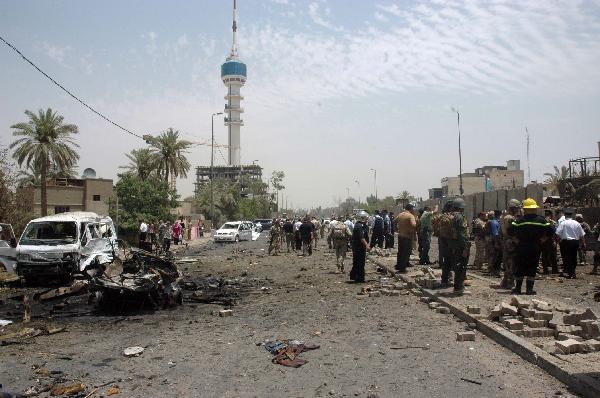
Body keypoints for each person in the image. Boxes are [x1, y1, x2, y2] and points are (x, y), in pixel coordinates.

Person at [509, 198, 554, 294]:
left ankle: (518, 288)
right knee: (532, 267)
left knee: (520, 266)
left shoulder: (519, 220)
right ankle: (529, 289)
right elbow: (551, 231)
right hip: (535, 247)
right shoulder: (541, 220)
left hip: (521, 246)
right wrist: (543, 240)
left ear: (525, 209)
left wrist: (516, 240)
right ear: (535, 209)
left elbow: (510, 231)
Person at [445, 198, 471, 295]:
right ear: (461, 208)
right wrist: (465, 247)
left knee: (456, 265)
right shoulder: (459, 217)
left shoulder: (450, 215)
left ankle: (458, 285)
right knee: (461, 266)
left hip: (452, 244)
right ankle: (458, 288)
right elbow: (462, 234)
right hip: (460, 246)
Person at [556, 209, 586, 279]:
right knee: (574, 256)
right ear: (571, 215)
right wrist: (584, 243)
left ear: (565, 215)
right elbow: (582, 235)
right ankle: (572, 271)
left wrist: (558, 240)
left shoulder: (563, 223)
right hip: (575, 242)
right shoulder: (577, 223)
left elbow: (557, 233)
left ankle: (571, 273)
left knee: (566, 257)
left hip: (565, 242)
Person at [395, 204, 417, 273]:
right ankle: (402, 268)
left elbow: (394, 221)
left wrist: (397, 229)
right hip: (407, 237)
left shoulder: (400, 214)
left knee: (400, 252)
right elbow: (414, 225)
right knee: (406, 252)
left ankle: (398, 265)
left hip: (400, 236)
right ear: (411, 209)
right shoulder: (410, 216)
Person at [350, 211, 371, 283]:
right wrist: (367, 246)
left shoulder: (360, 225)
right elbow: (362, 238)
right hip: (359, 247)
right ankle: (359, 278)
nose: (367, 220)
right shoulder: (359, 226)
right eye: (366, 218)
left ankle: (355, 276)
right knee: (360, 263)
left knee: (357, 262)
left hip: (358, 247)